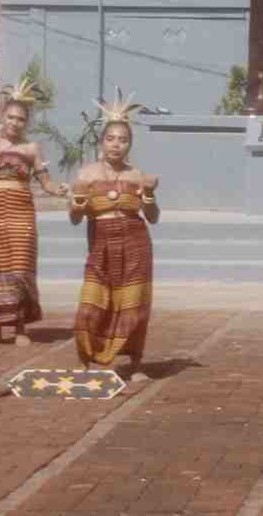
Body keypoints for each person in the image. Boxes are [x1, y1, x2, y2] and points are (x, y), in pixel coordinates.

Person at [0, 80, 67, 346]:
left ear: (26, 123)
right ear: (2, 116)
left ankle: (19, 328)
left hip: (21, 213)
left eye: (21, 119)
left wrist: (58, 190)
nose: (15, 123)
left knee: (19, 268)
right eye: (11, 117)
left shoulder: (31, 149)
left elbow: (45, 181)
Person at [68, 90, 161, 392]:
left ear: (129, 144)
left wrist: (148, 194)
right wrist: (79, 198)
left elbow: (153, 216)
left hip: (136, 244)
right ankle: (84, 362)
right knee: (91, 304)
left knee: (133, 306)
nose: (116, 144)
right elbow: (75, 218)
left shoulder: (137, 175)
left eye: (122, 139)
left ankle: (134, 364)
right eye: (111, 138)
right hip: (102, 245)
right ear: (102, 141)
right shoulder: (87, 174)